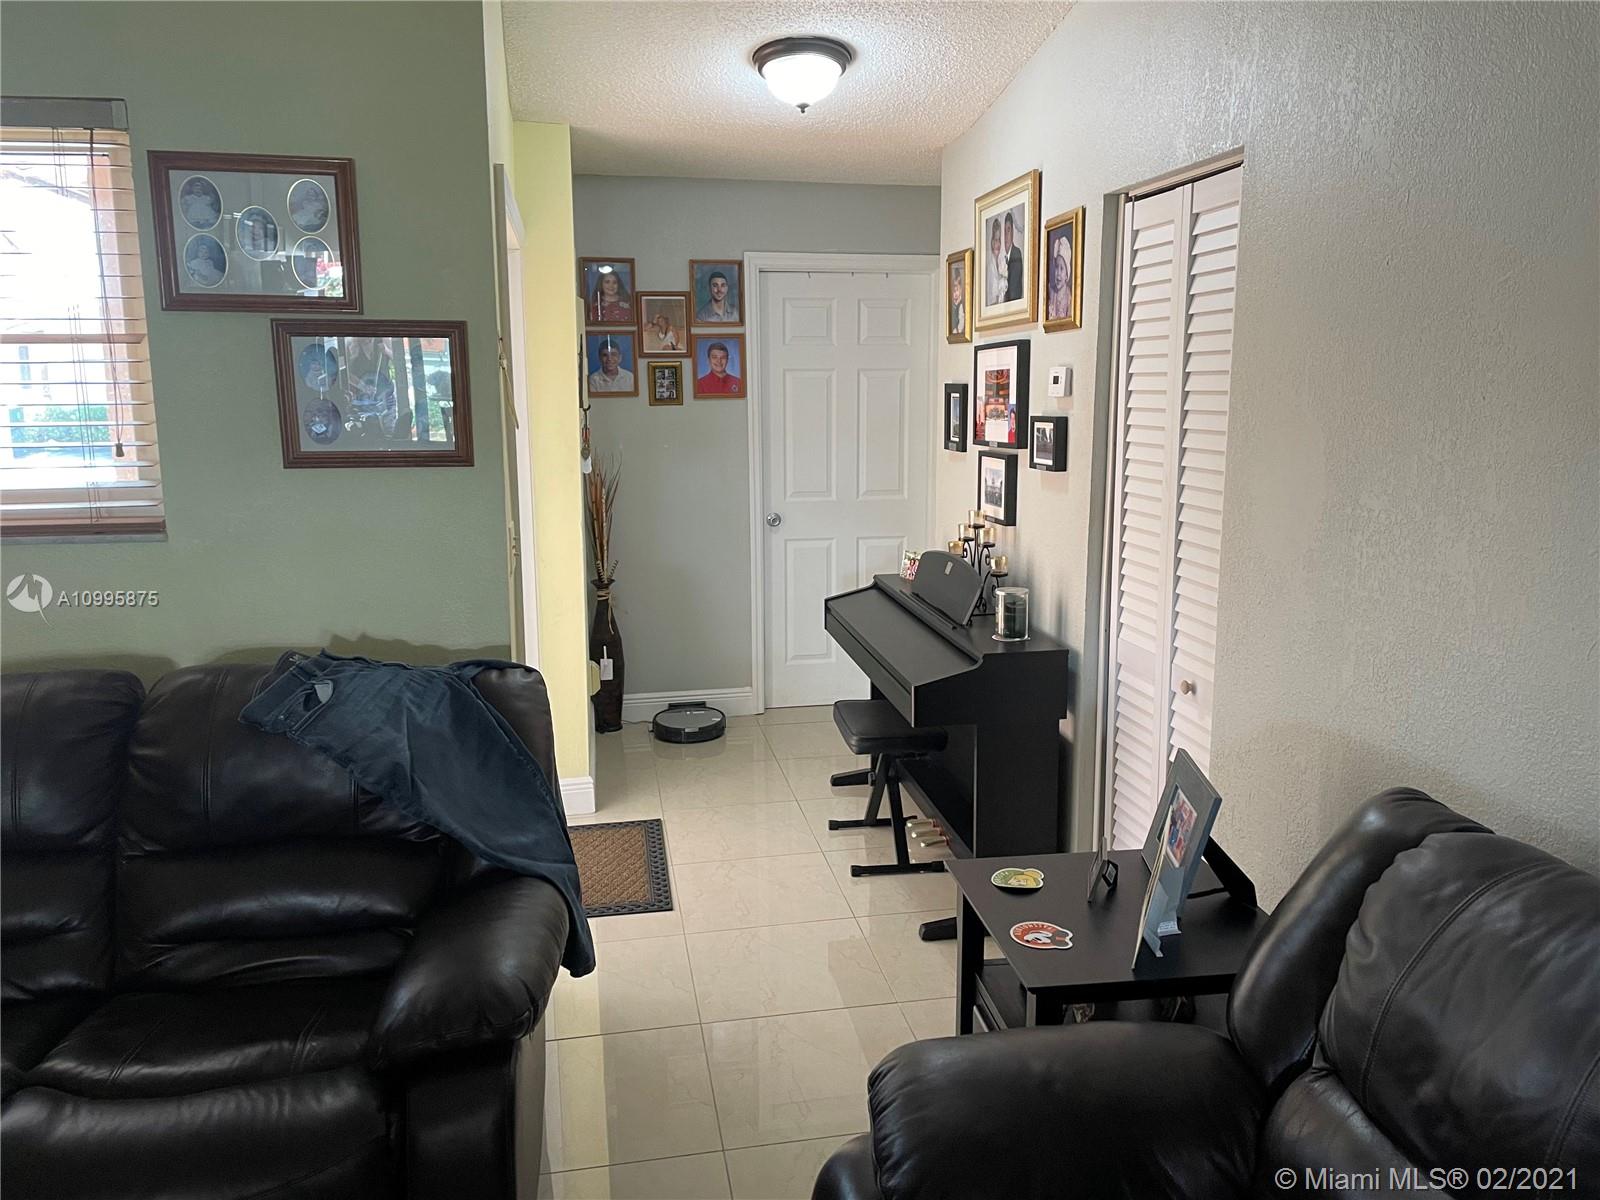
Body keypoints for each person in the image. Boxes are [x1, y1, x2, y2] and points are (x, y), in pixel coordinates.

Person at [1048, 238, 1072, 320]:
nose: (1058, 273)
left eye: (1061, 269)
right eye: (1056, 267)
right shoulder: (1051, 292)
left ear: (1066, 275)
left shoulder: (1069, 297)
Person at [985, 218, 1008, 306]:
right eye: (995, 240)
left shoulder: (1001, 262)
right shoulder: (990, 266)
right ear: (991, 241)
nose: (997, 244)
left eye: (999, 240)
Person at [1003, 211, 1024, 302]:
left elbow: (1014, 294)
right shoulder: (1004, 257)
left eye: (1008, 230)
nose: (1006, 235)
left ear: (1012, 233)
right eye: (1004, 231)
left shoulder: (1016, 254)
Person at [949, 266, 966, 335]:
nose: (955, 293)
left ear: (960, 290)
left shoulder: (961, 305)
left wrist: (957, 330)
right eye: (953, 291)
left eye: (957, 291)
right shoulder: (952, 304)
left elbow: (961, 319)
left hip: (957, 330)